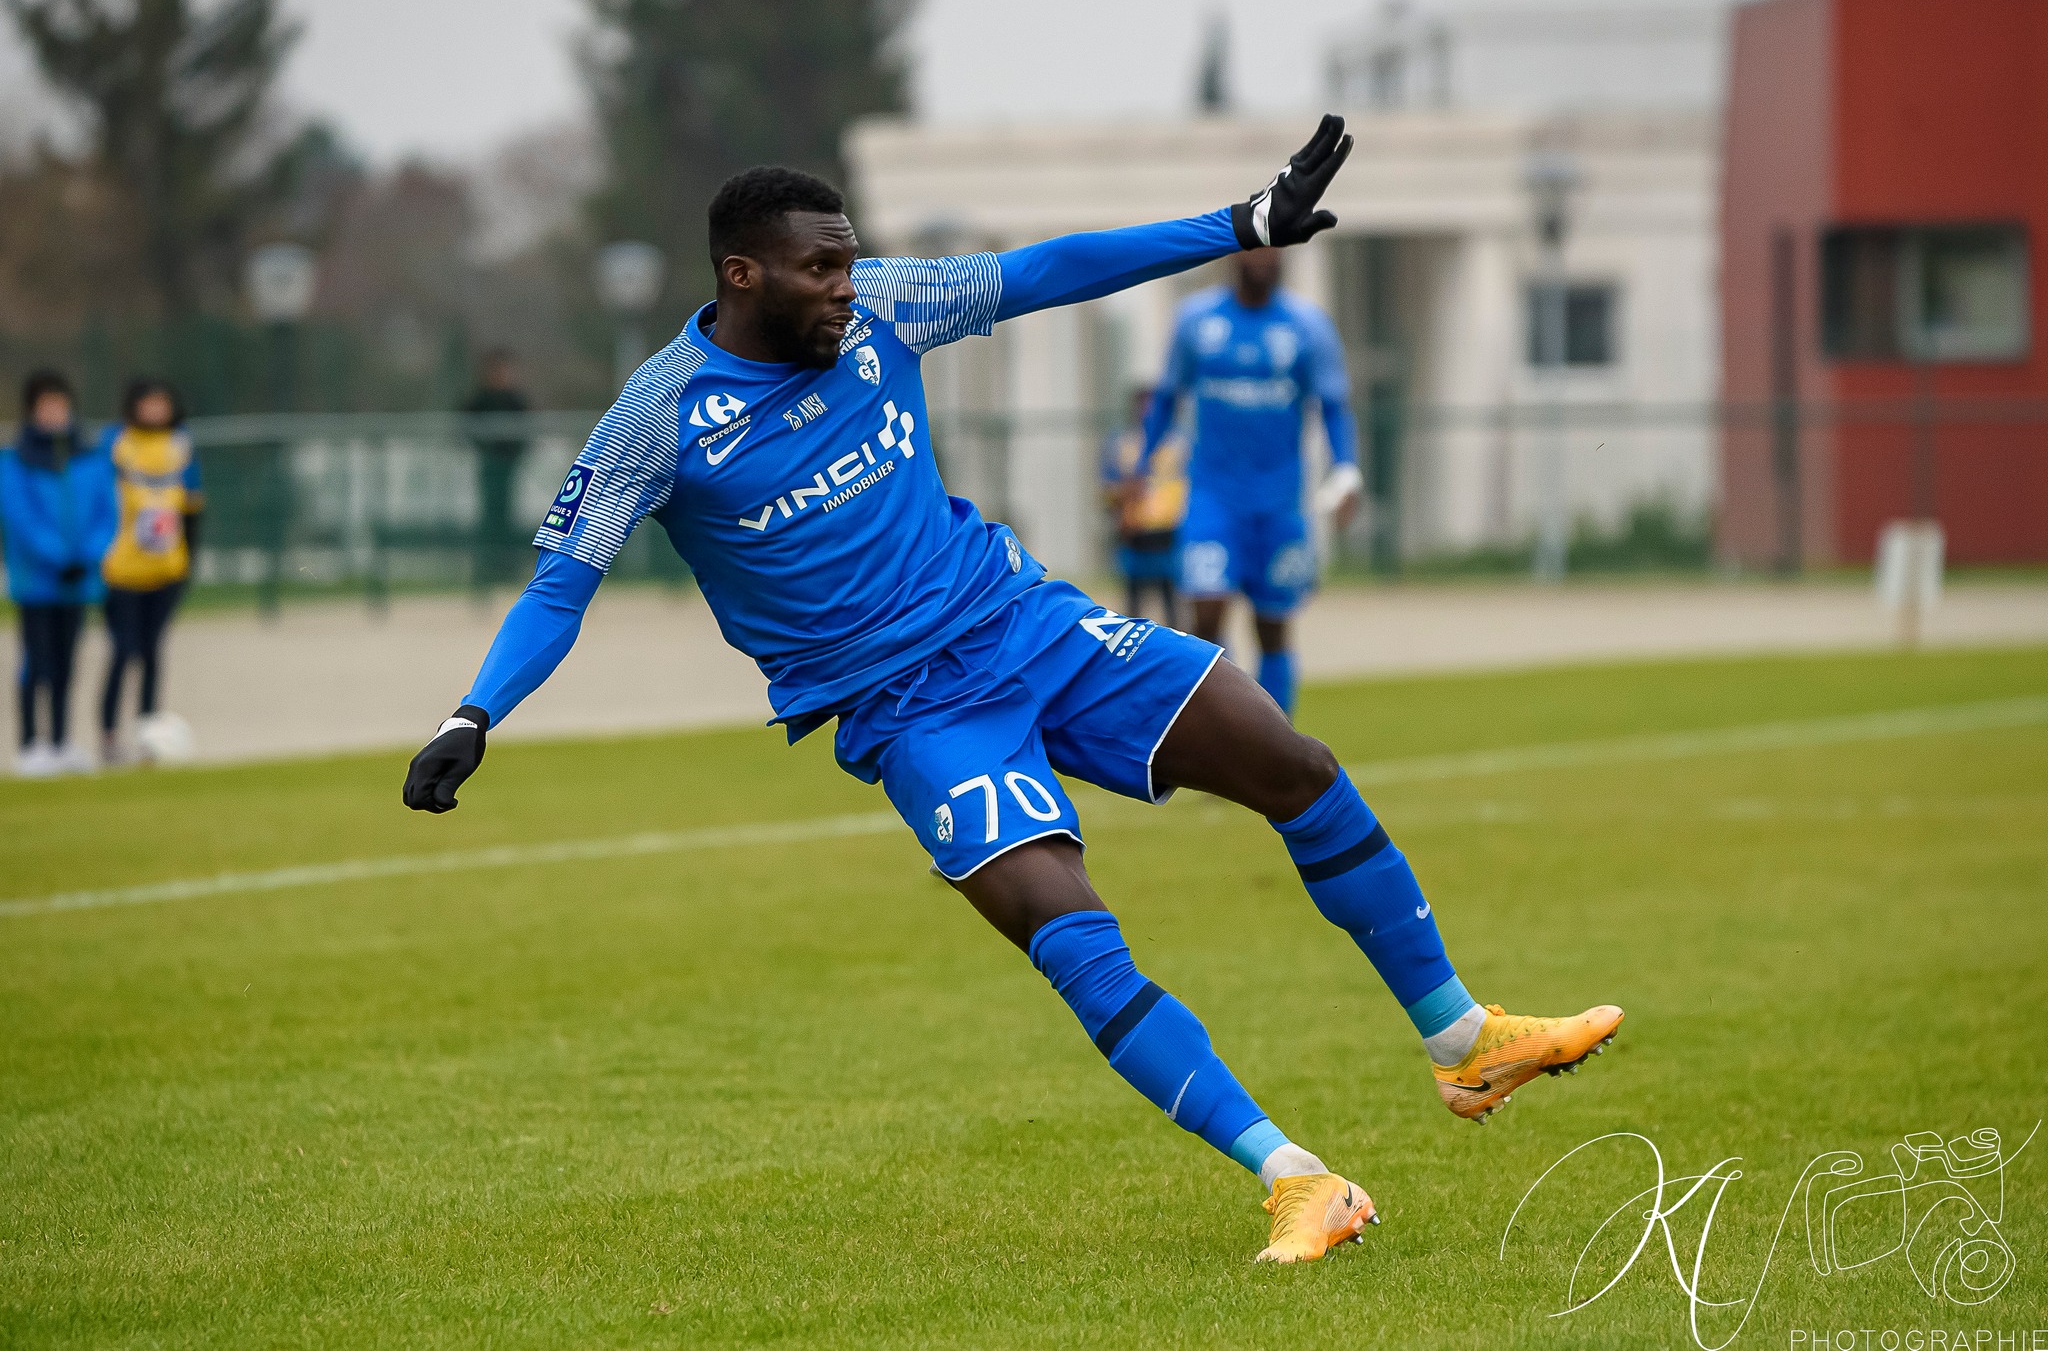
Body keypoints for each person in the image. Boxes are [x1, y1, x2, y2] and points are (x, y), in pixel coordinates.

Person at [401, 119, 1623, 1264]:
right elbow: (560, 588)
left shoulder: (884, 310)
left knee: (1288, 759)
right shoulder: (655, 422)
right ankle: (1295, 1177)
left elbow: (1048, 270)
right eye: (820, 268)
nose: (846, 283)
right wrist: (474, 714)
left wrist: (1238, 223)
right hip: (906, 711)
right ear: (742, 275)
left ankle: (1464, 1039)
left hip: (1022, 621)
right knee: (1069, 929)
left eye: (848, 261)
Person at [1141, 247, 1362, 719]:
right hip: (1212, 497)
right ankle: (1224, 736)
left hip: (1279, 504)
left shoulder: (1307, 327)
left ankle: (1275, 742)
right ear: (1234, 257)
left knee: (1273, 625)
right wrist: (1144, 464)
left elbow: (1334, 406)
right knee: (1205, 615)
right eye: (1254, 249)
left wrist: (1346, 472)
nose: (1263, 259)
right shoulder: (1197, 320)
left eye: (1273, 251)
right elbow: (1166, 396)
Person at [2, 370, 116, 776]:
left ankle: (62, 741)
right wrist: (56, 557)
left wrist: (86, 556)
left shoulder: (89, 456)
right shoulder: (15, 460)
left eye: (60, 405)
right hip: (37, 580)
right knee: (37, 661)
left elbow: (107, 512)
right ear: (33, 410)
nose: (54, 413)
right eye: (46, 406)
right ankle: (31, 744)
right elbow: (20, 517)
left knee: (68, 662)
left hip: (79, 579)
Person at [98, 378, 203, 764]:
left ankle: (148, 735)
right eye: (149, 403)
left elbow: (192, 507)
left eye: (162, 402)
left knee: (153, 652)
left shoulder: (180, 445)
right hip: (122, 570)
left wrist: (188, 561)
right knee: (122, 651)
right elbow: (98, 500)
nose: (156, 410)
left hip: (165, 570)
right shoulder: (116, 443)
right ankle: (108, 735)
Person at [1100, 385, 1186, 627]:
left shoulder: (1181, 442)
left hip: (1171, 530)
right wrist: (1122, 502)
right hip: (1135, 530)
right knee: (1134, 602)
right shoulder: (1120, 443)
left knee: (1172, 600)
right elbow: (1108, 486)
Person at [464, 348, 533, 590]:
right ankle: (485, 574)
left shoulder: (515, 399)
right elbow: (465, 425)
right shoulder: (480, 398)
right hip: (489, 468)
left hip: (509, 468)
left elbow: (526, 429)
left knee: (507, 519)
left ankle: (507, 572)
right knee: (489, 521)